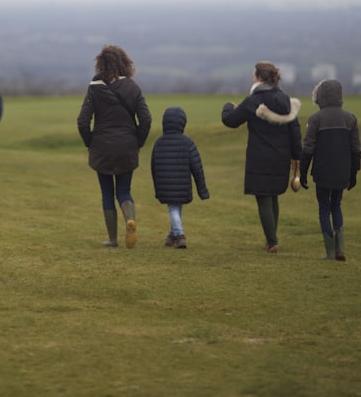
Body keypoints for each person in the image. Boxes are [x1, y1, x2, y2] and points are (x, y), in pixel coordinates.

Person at [221, 61, 301, 254]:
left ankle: (272, 241)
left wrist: (228, 107)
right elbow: (295, 130)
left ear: (259, 78)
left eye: (254, 75)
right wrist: (296, 156)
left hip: (260, 156)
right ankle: (272, 237)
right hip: (281, 156)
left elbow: (230, 121)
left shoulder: (253, 101)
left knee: (264, 197)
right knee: (273, 195)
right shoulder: (285, 99)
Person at [77, 44, 152, 248]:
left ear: (100, 65)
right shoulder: (132, 87)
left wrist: (90, 143)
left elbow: (83, 121)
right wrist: (138, 142)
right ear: (124, 63)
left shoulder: (94, 88)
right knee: (124, 191)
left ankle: (112, 239)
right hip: (127, 147)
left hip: (102, 148)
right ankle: (130, 220)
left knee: (107, 193)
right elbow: (146, 119)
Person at [299, 79, 361, 261]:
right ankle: (340, 248)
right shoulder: (351, 119)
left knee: (324, 208)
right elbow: (356, 149)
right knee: (336, 205)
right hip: (342, 171)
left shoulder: (316, 119)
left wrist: (302, 173)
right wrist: (353, 173)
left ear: (320, 96)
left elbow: (308, 149)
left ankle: (330, 252)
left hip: (322, 171)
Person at [151, 106, 209, 249]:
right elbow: (197, 167)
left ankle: (176, 235)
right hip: (183, 184)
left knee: (174, 208)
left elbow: (154, 166)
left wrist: (157, 187)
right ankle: (177, 235)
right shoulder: (187, 142)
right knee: (175, 208)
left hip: (165, 184)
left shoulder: (159, 142)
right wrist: (202, 190)